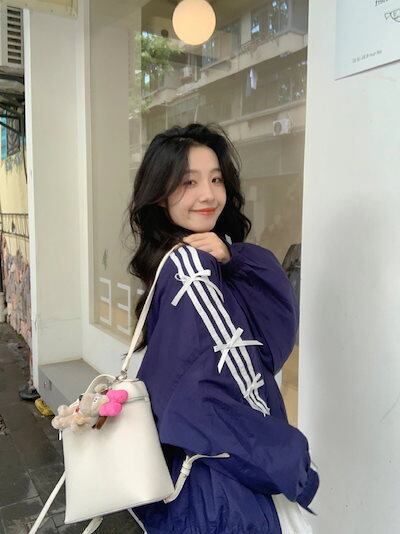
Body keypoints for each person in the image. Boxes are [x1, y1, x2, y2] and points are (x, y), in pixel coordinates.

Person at [126, 123, 319, 533]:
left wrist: (234, 257)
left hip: (199, 474)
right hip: (221, 486)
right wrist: (287, 458)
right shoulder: (189, 268)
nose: (208, 195)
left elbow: (266, 339)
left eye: (216, 179)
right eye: (188, 182)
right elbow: (232, 385)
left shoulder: (196, 257)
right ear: (160, 193)